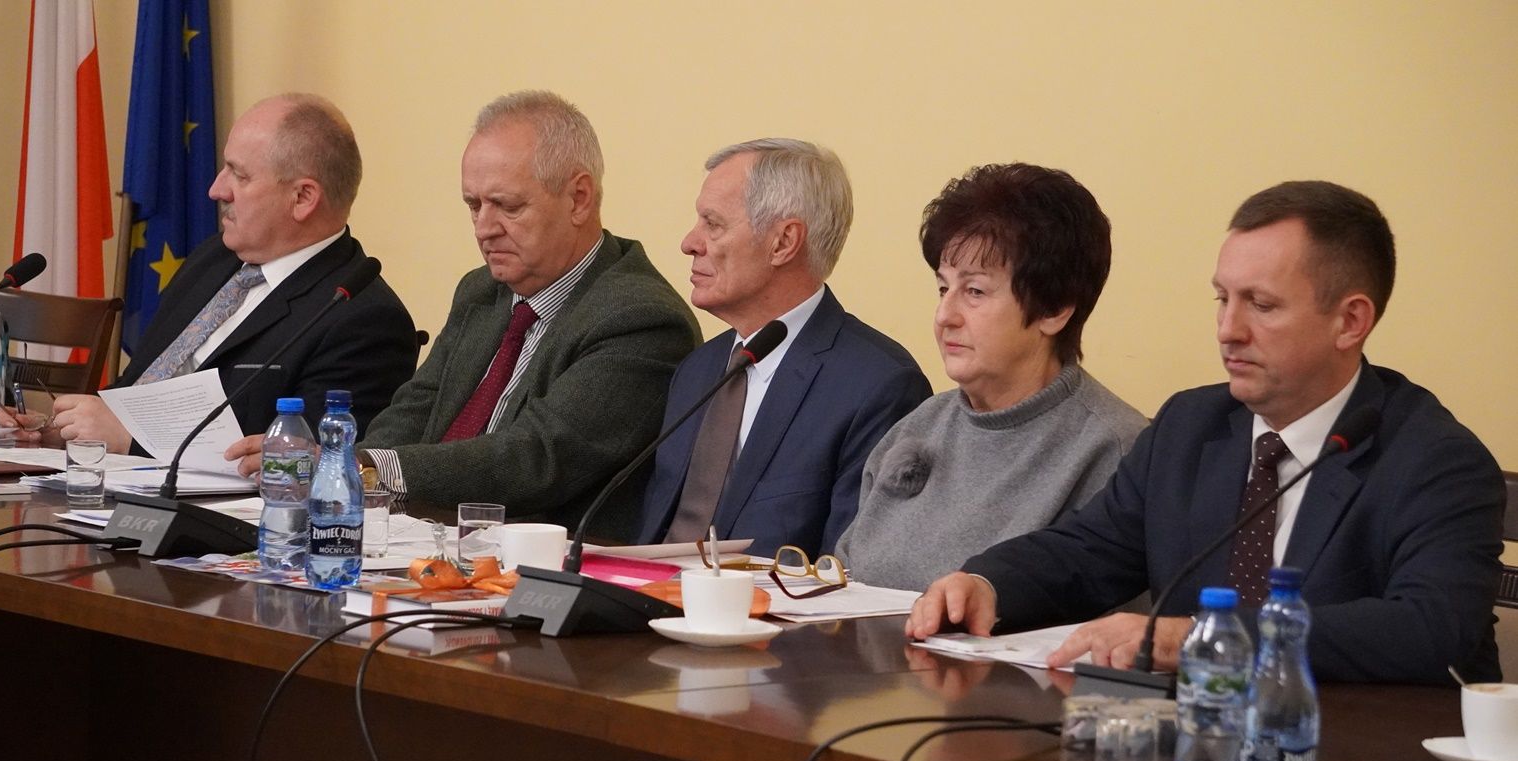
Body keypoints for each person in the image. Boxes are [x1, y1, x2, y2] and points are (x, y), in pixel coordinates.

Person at [905, 180, 1505, 685]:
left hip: (1361, 757)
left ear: (1350, 321)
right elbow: (1088, 551)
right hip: (1194, 745)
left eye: (1261, 305)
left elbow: (1429, 629)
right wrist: (987, 585)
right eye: (1222, 299)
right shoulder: (1191, 427)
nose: (1228, 329)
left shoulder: (1435, 461)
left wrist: (1196, 638)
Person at [232, 91, 700, 540]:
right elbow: (415, 409)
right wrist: (347, 472)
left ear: (579, 198)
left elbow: (535, 457)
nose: (484, 228)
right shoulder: (482, 291)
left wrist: (364, 468)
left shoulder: (640, 319)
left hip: (536, 566)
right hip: (427, 543)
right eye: (473, 205)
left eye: (508, 206)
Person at [0, 94, 418, 449]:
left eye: (239, 174)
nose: (216, 189)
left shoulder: (362, 319)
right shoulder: (214, 259)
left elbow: (302, 466)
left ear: (303, 198)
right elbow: (137, 387)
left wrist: (131, 441)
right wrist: (59, 431)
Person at [835, 164, 1146, 590]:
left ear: (1055, 309)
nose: (945, 316)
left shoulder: (1114, 449)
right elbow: (845, 577)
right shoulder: (916, 429)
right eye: (943, 288)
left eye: (975, 291)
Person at [635, 139, 932, 557]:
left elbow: (849, 570)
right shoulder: (697, 370)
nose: (689, 242)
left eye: (713, 224)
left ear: (783, 243)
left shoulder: (878, 386)